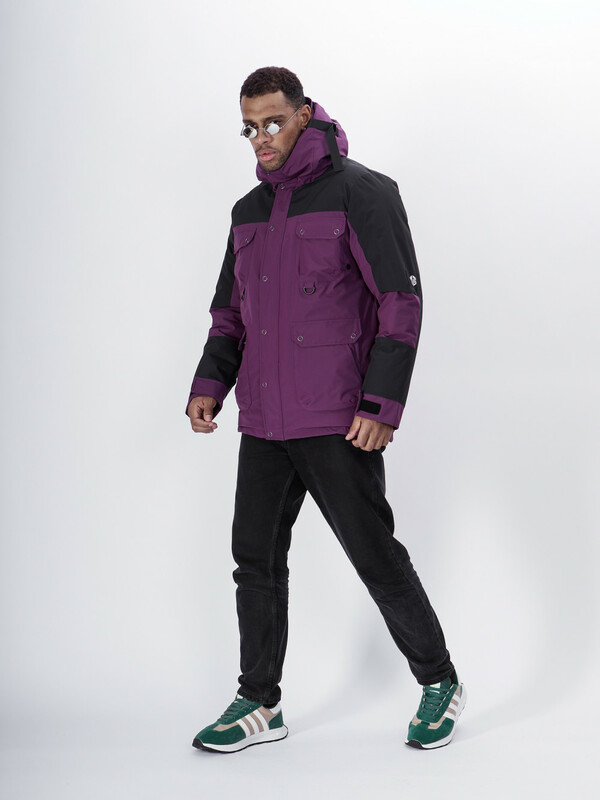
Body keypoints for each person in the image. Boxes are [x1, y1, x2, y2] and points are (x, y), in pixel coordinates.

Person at [186, 66, 466, 752]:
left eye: (273, 122)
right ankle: (260, 702)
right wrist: (210, 383)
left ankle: (440, 680)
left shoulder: (363, 192)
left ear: (305, 115)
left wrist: (382, 403)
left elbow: (400, 303)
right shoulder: (247, 212)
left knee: (373, 554)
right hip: (264, 419)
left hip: (339, 417)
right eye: (249, 127)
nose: (261, 137)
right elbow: (231, 315)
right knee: (254, 561)